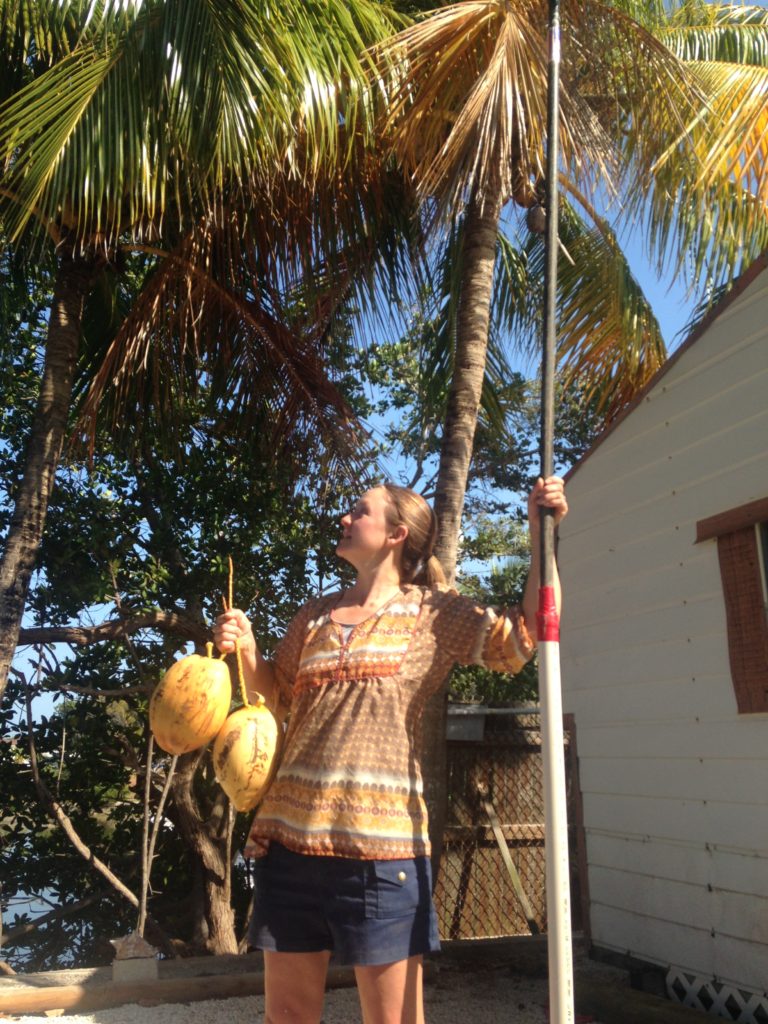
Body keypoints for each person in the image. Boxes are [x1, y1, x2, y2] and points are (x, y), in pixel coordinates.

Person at [213, 476, 567, 1024]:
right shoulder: (313, 616)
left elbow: (521, 639)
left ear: (397, 534)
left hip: (382, 853)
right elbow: (272, 696)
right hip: (288, 843)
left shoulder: (433, 611)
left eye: (360, 511)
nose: (345, 518)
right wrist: (249, 648)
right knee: (286, 1016)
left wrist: (541, 538)